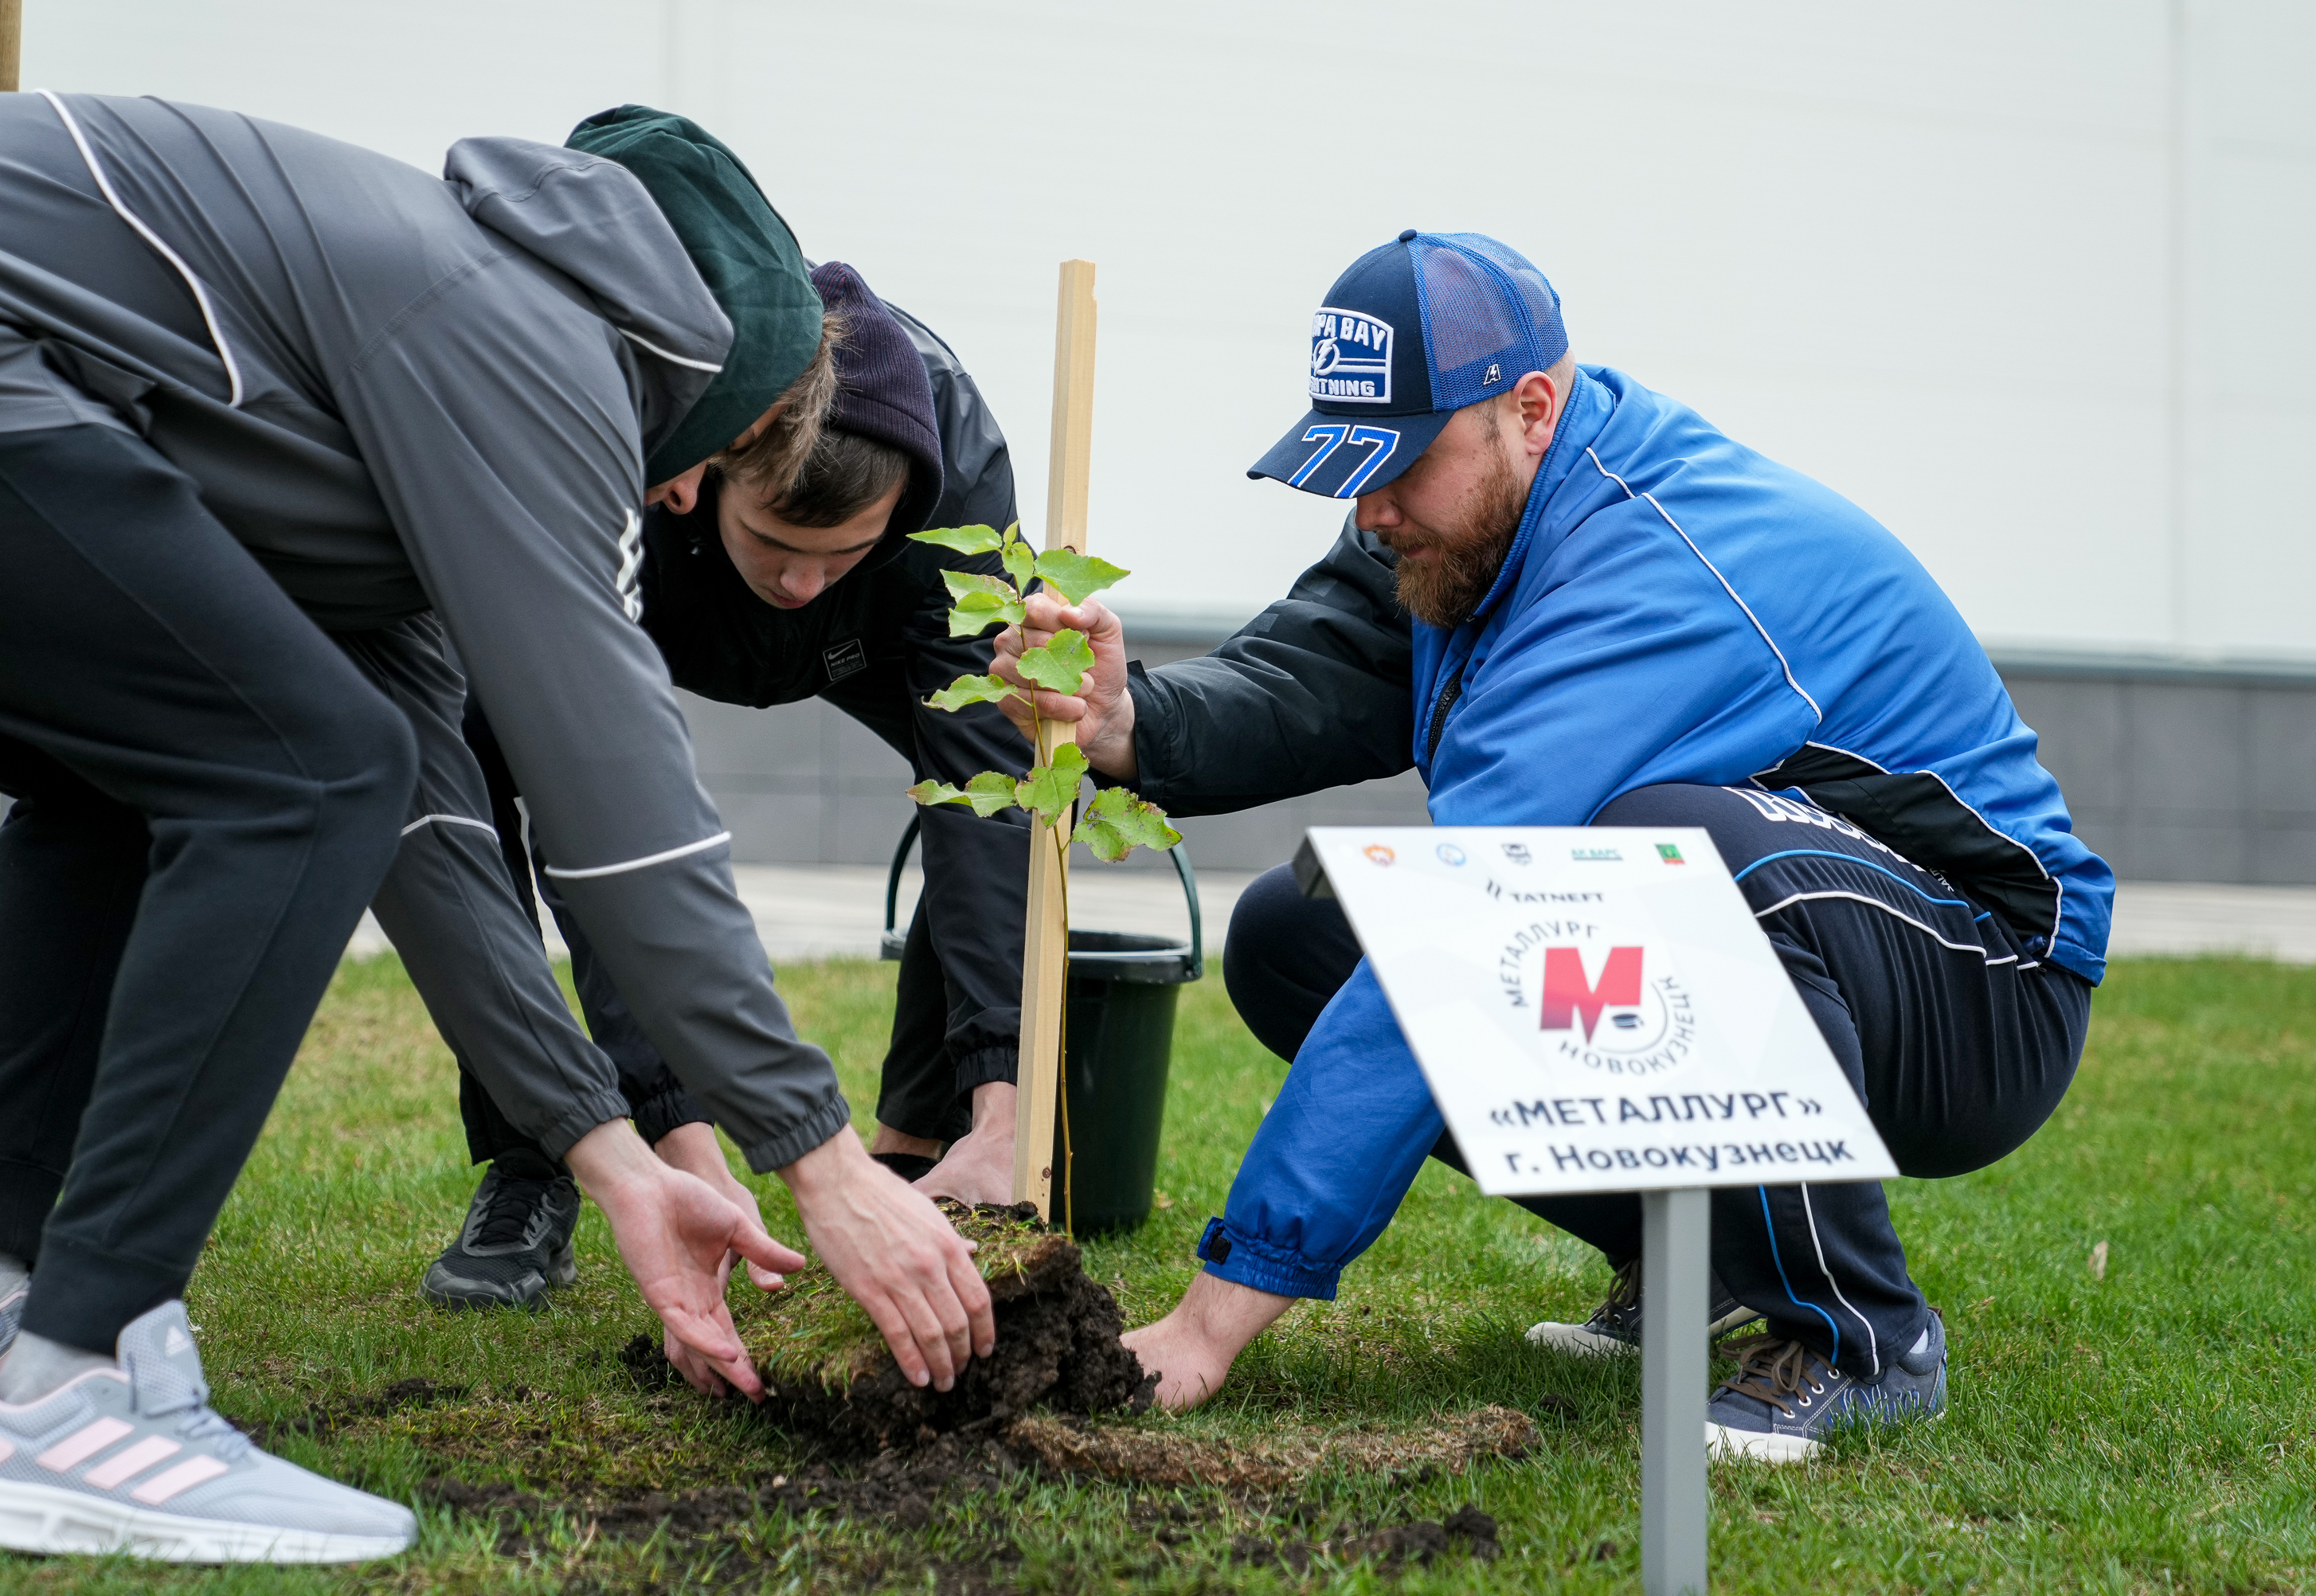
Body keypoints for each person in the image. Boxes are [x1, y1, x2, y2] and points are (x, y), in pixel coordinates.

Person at [0, 93, 988, 1562]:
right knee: (294, 777)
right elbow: (620, 810)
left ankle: (24, 1303)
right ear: (695, 372)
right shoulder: (515, 336)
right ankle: (77, 1386)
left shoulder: (416, 358)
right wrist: (821, 1158)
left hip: (56, 400)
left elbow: (422, 815)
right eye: (710, 457)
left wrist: (609, 1155)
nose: (675, 493)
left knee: (193, 773)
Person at [994, 231, 2112, 1463]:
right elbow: (1324, 658)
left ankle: (1859, 1336)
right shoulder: (1481, 518)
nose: (1370, 509)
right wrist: (1129, 721)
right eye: (1354, 465)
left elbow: (1467, 918)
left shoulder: (1637, 567)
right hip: (1839, 938)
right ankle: (1693, 1262)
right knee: (1298, 936)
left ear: (1529, 408)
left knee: (1668, 853)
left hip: (1987, 975)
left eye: (1403, 465)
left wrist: (1215, 1318)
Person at [428, 254, 1033, 1314]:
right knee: (483, 745)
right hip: (658, 600)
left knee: (1008, 773)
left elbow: (985, 772)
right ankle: (533, 1157)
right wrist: (680, 1136)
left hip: (870, 643)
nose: (801, 584)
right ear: (711, 471)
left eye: (838, 554)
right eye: (779, 545)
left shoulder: (956, 475)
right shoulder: (647, 436)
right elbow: (604, 821)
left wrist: (1007, 1104)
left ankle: (933, 1146)